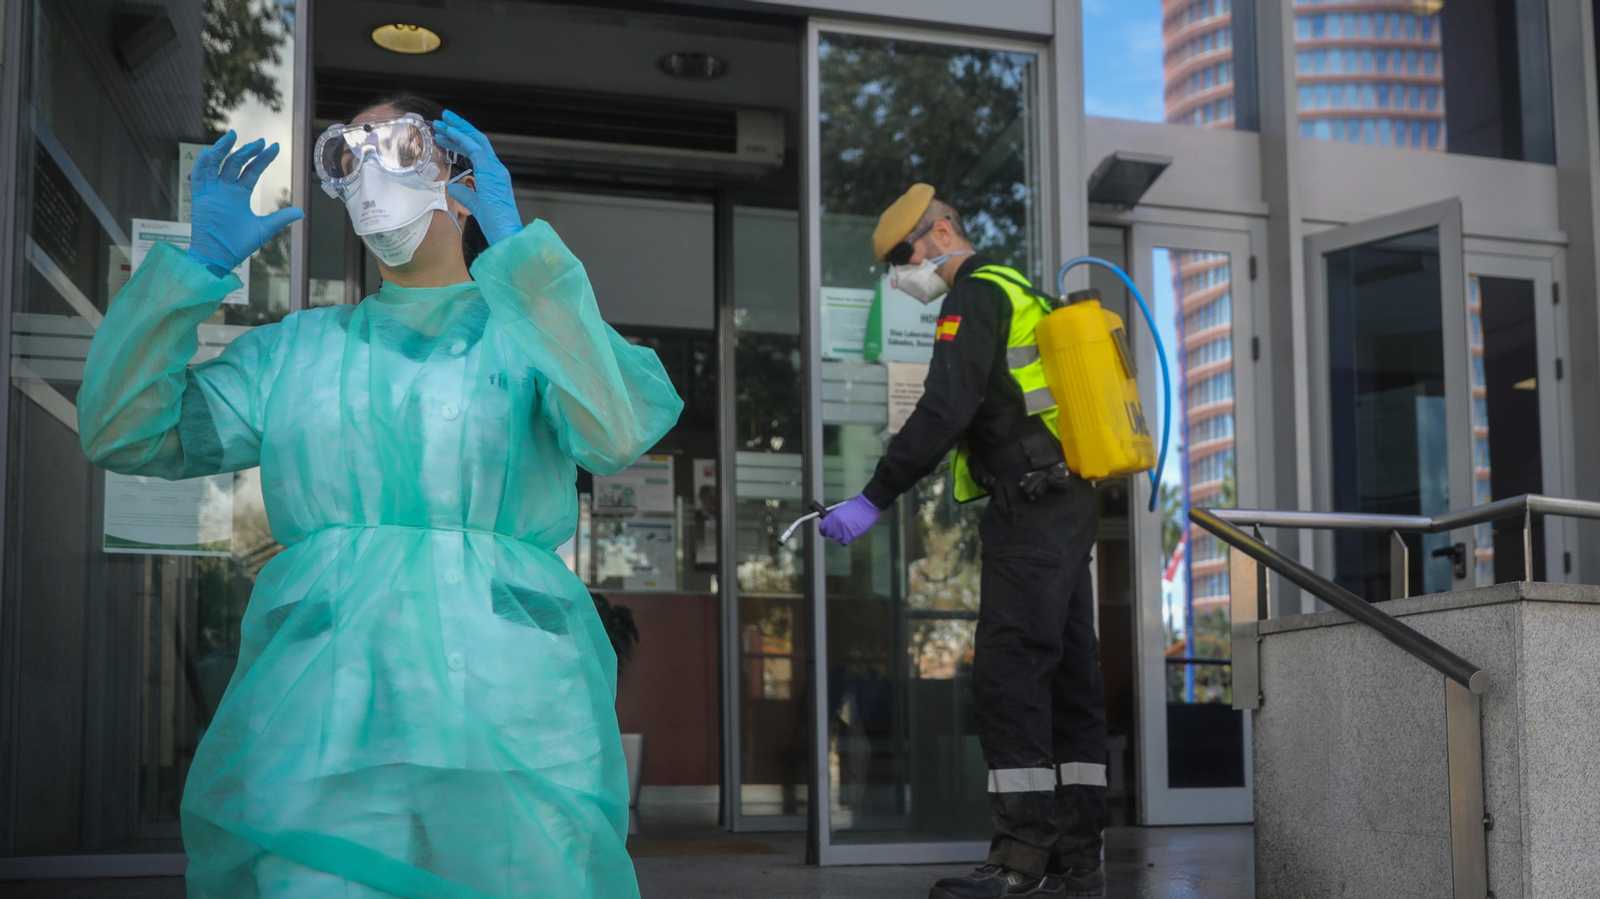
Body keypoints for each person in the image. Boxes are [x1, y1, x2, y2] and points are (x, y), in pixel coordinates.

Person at [77, 95, 682, 898]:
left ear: (458, 179)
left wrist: (527, 265)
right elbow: (123, 430)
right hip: (325, 723)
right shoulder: (295, 352)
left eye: (397, 148)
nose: (371, 178)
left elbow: (616, 427)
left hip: (505, 724)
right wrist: (192, 274)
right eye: (348, 159)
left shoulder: (531, 335)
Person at [818, 185, 1106, 899]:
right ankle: (1076, 856)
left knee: (1011, 675)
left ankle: (1018, 860)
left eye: (904, 255)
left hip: (1031, 505)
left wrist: (874, 495)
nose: (901, 273)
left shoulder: (973, 294)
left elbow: (948, 404)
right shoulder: (1020, 287)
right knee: (1069, 678)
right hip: (1067, 498)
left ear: (942, 231)